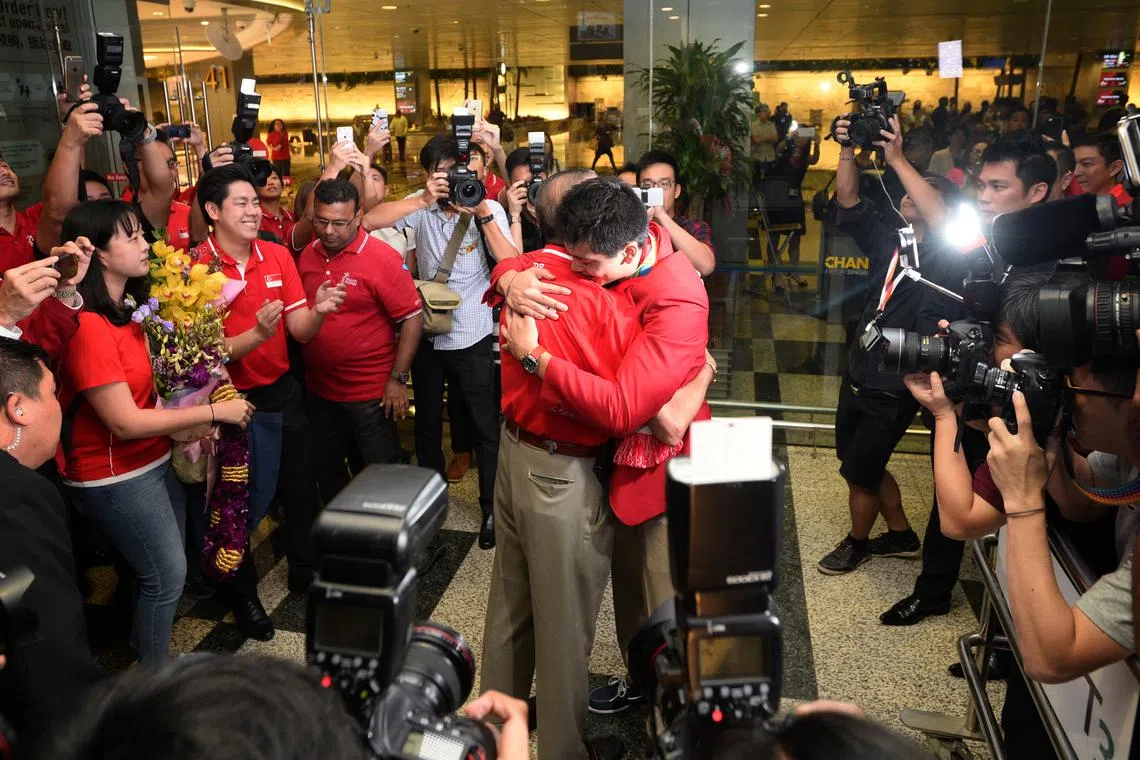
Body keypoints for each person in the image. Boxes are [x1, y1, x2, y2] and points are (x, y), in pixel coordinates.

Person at [492, 179, 712, 718]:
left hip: (656, 471)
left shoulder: (676, 296)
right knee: (605, 607)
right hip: (599, 463)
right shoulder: (600, 256)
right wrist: (511, 277)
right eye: (573, 256)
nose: (576, 268)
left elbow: (634, 413)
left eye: (587, 262)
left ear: (633, 250)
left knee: (660, 605)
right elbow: (527, 261)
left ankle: (674, 720)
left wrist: (533, 358)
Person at [55, 200, 254, 663]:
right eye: (133, 237)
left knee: (164, 573)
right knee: (165, 576)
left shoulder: (129, 309)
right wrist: (211, 416)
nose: (147, 244)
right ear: (98, 254)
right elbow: (124, 422)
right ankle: (154, 684)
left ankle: (149, 654)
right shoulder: (89, 326)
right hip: (115, 473)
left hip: (153, 459)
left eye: (144, 235)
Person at [480, 170, 635, 760]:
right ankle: (564, 751)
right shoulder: (597, 298)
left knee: (509, 617)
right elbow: (620, 405)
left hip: (513, 455)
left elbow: (502, 266)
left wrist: (508, 271)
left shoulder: (531, 271)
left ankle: (493, 739)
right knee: (565, 630)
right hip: (561, 475)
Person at [879, 135, 1056, 626]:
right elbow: (939, 217)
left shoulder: (1052, 256)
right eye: (981, 184)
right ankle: (934, 590)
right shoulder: (984, 240)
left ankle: (1006, 635)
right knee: (955, 490)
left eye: (998, 186)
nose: (983, 196)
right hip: (978, 385)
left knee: (1027, 517)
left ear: (1037, 191)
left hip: (1029, 402)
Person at [194, 164, 345, 634]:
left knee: (300, 487)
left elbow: (298, 328)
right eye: (241, 203)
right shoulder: (193, 267)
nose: (254, 210)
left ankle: (305, 569)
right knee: (235, 502)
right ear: (213, 211)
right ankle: (244, 598)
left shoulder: (277, 256)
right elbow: (198, 355)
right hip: (225, 399)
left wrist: (317, 312)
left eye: (256, 202)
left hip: (280, 390)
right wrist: (257, 333)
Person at [820, 113, 964, 576]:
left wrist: (898, 159)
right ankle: (900, 534)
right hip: (862, 366)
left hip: (897, 379)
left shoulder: (947, 255)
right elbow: (848, 198)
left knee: (860, 476)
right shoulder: (892, 240)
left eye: (922, 190)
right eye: (906, 187)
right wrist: (846, 150)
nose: (908, 193)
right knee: (855, 460)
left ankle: (857, 542)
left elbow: (942, 217)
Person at [360, 134, 516, 550]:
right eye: (439, 172)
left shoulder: (488, 204)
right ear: (428, 174)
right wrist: (422, 200)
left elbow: (511, 261)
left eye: (457, 171)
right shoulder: (419, 204)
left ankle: (490, 511)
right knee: (426, 426)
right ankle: (431, 506)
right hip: (428, 333)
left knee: (485, 427)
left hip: (474, 332)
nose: (450, 180)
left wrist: (481, 210)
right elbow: (368, 222)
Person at [0, 338, 103, 739]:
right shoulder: (17, 495)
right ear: (17, 407)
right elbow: (40, 636)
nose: (58, 406)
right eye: (52, 393)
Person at [297, 178, 423, 503]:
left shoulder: (381, 258)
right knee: (330, 478)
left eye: (339, 223)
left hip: (370, 395)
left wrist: (398, 379)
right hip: (320, 392)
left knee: (380, 483)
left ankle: (391, 549)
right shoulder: (309, 254)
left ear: (358, 216)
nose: (328, 231)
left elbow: (411, 317)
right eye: (321, 221)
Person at [636, 150, 716, 277]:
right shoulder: (630, 228)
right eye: (647, 185)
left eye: (664, 184)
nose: (656, 190)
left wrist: (662, 216)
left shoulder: (693, 228)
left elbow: (706, 266)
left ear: (677, 191)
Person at [501, 146, 549, 254]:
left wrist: (544, 219)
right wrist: (514, 216)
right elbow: (514, 263)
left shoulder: (562, 211)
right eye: (523, 184)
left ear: (548, 178)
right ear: (509, 185)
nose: (531, 189)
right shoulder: (502, 219)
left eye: (536, 182)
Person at [1073, 132, 1131, 205]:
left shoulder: (1126, 208)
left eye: (1086, 164)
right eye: (1073, 164)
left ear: (1114, 168)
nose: (1076, 173)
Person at [257, 168, 297, 249]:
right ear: (255, 189)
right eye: (264, 179)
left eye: (274, 178)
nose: (271, 182)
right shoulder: (255, 219)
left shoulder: (294, 217)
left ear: (282, 186)